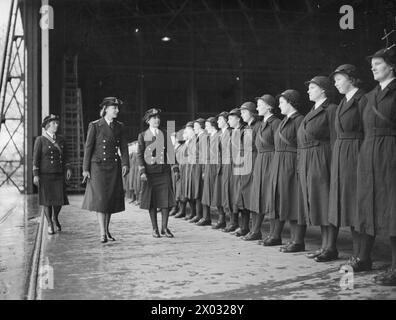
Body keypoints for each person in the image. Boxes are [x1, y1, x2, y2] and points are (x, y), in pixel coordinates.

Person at [354, 48, 396, 286]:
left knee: (393, 208)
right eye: (372, 64)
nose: (373, 68)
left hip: (391, 152)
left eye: (378, 64)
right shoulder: (369, 97)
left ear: (391, 66)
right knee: (367, 204)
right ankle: (363, 257)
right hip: (368, 153)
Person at [327, 64, 367, 262]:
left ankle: (362, 255)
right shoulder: (344, 102)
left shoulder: (363, 99)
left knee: (359, 205)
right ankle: (357, 253)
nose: (335, 84)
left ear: (351, 78)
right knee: (350, 205)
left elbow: (368, 131)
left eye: (339, 79)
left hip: (358, 153)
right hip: (343, 155)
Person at [297, 76, 337, 261]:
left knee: (325, 201)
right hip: (309, 159)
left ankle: (331, 247)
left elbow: (335, 139)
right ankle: (324, 245)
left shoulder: (330, 110)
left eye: (312, 87)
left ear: (322, 90)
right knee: (317, 202)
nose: (308, 91)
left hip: (323, 158)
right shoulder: (311, 111)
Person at [81, 97, 129, 243]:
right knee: (101, 199)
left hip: (113, 167)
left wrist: (126, 164)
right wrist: (85, 169)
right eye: (114, 108)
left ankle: (107, 230)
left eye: (117, 108)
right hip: (98, 167)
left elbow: (124, 147)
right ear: (106, 109)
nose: (117, 110)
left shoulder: (120, 126)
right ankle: (102, 233)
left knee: (109, 200)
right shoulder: (95, 125)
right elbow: (88, 148)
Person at [267, 90, 306, 252]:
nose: (279, 105)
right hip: (280, 163)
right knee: (282, 200)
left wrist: (297, 166)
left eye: (282, 102)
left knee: (294, 201)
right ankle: (284, 237)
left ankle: (298, 241)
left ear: (291, 103)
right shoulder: (284, 121)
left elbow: (301, 145)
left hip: (291, 163)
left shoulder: (299, 120)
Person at [137, 108, 180, 238]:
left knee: (166, 200)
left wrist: (175, 168)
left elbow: (171, 153)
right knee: (152, 201)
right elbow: (139, 155)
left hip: (163, 172)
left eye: (158, 118)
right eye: (154, 118)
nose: (157, 120)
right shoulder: (143, 135)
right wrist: (142, 171)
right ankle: (155, 228)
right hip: (150, 174)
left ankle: (164, 228)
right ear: (148, 121)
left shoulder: (165, 133)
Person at [244, 95, 281, 241]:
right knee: (257, 196)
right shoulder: (262, 123)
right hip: (260, 160)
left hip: (271, 160)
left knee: (272, 197)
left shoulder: (276, 122)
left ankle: (274, 234)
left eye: (260, 105)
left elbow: (279, 146)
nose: (257, 107)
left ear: (269, 106)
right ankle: (256, 231)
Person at [33, 114, 72, 235]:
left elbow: (66, 156)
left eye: (56, 123)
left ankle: (55, 217)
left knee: (59, 201)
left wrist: (68, 168)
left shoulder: (61, 139)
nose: (57, 125)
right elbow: (36, 159)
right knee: (47, 201)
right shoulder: (40, 140)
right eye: (54, 123)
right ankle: (50, 224)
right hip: (45, 175)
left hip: (59, 173)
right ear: (47, 126)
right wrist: (35, 174)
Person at [236, 102, 261, 237]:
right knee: (243, 196)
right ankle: (244, 227)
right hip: (244, 163)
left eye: (244, 112)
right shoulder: (245, 128)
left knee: (253, 197)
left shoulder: (258, 126)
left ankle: (256, 230)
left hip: (253, 162)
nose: (241, 115)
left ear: (252, 113)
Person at [223, 108, 245, 234]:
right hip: (231, 165)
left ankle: (243, 225)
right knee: (231, 193)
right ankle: (233, 221)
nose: (228, 121)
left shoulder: (244, 131)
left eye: (231, 118)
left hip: (239, 165)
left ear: (238, 119)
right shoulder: (231, 133)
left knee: (239, 194)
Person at [201, 117, 222, 226]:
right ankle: (206, 217)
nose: (205, 128)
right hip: (209, 166)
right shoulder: (209, 137)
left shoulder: (219, 136)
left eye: (207, 126)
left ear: (212, 125)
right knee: (207, 193)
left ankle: (221, 219)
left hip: (215, 166)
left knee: (217, 192)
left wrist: (218, 168)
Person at [189, 118, 209, 224]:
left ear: (201, 126)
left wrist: (204, 170)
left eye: (196, 126)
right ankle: (199, 214)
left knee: (202, 192)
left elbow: (205, 155)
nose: (194, 128)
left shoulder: (204, 137)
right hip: (196, 166)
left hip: (200, 166)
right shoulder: (198, 137)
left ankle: (205, 216)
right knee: (197, 191)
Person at [214, 112, 232, 229]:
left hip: (228, 164)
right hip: (219, 165)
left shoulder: (230, 132)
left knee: (228, 193)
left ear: (226, 120)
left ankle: (232, 221)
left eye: (220, 120)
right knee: (219, 193)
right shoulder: (219, 133)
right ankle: (221, 218)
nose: (218, 122)